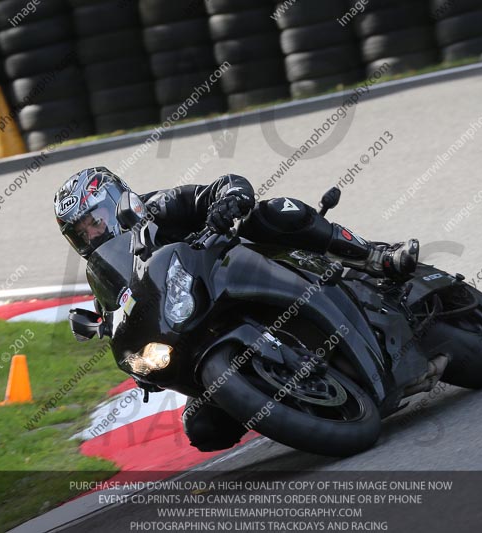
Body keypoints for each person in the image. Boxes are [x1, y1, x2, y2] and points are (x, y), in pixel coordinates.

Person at [54, 167, 419, 451]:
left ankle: (376, 256)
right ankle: (290, 403)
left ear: (116, 200)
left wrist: (228, 200)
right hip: (195, 328)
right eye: (81, 232)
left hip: (237, 270)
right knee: (201, 429)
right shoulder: (102, 273)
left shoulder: (158, 207)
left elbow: (223, 185)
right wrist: (108, 333)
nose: (93, 233)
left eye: (94, 219)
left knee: (275, 213)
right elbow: (117, 314)